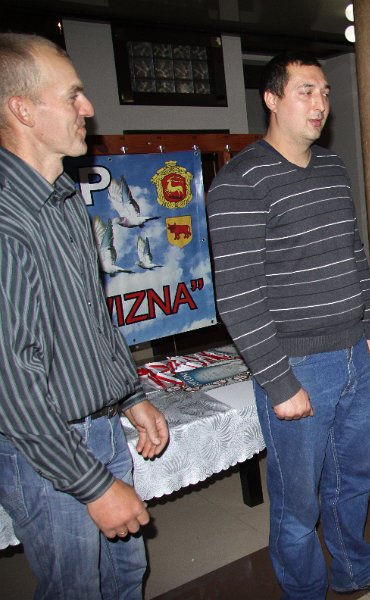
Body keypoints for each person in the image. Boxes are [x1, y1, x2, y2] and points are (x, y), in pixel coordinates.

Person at [205, 52, 370, 598]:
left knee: (354, 478)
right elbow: (238, 297)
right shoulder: (239, 182)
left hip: (351, 353)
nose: (320, 103)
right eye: (305, 91)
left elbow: (354, 255)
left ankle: (354, 568)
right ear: (272, 99)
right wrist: (279, 382)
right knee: (298, 504)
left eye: (324, 92)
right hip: (297, 364)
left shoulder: (332, 168)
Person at [0, 33, 170, 598]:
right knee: (75, 589)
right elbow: (12, 386)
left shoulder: (67, 196)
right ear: (23, 110)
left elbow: (91, 317)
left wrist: (130, 395)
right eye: (72, 95)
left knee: (125, 575)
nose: (89, 107)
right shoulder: (6, 219)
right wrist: (92, 485)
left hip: (100, 425)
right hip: (45, 447)